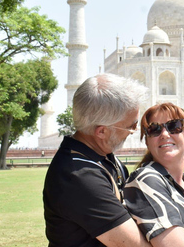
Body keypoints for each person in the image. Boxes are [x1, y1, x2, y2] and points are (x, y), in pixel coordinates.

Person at [43, 73, 149, 247]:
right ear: (101, 132)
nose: (134, 130)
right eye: (131, 126)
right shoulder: (78, 176)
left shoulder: (101, 156)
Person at [124, 103, 184, 247]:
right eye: (154, 129)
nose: (164, 134)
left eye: (174, 126)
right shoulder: (146, 180)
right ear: (147, 142)